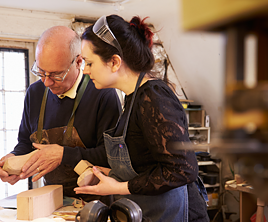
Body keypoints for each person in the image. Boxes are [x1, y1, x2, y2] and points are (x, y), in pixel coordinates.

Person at [74, 15, 209, 222]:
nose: (85, 70)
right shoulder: (132, 97)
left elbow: (183, 169)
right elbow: (146, 164)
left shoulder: (153, 97)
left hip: (177, 214)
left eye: (90, 63)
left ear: (114, 62)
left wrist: (118, 187)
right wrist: (108, 174)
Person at [0, 26, 121, 200]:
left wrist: (64, 154)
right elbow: (26, 143)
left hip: (95, 201)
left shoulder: (103, 93)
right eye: (41, 72)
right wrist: (12, 159)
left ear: (78, 62)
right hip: (51, 199)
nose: (47, 82)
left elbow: (112, 156)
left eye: (56, 75)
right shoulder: (35, 93)